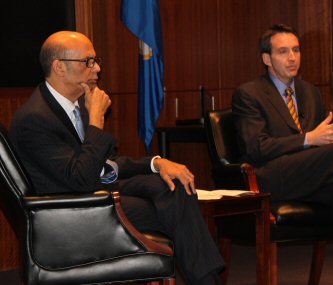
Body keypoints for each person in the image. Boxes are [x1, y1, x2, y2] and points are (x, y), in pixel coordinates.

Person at [9, 31, 224, 285]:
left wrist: (155, 163)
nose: (97, 68)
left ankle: (208, 280)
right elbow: (79, 179)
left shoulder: (74, 104)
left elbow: (105, 164)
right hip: (74, 210)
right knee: (174, 211)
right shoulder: (35, 119)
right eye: (88, 61)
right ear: (59, 67)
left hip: (98, 189)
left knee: (172, 186)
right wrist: (96, 123)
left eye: (96, 60)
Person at [232, 24, 333, 285]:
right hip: (272, 178)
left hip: (310, 176)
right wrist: (310, 139)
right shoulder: (249, 94)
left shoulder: (311, 92)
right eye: (283, 51)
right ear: (267, 59)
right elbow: (257, 147)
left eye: (296, 50)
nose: (292, 58)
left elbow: (325, 144)